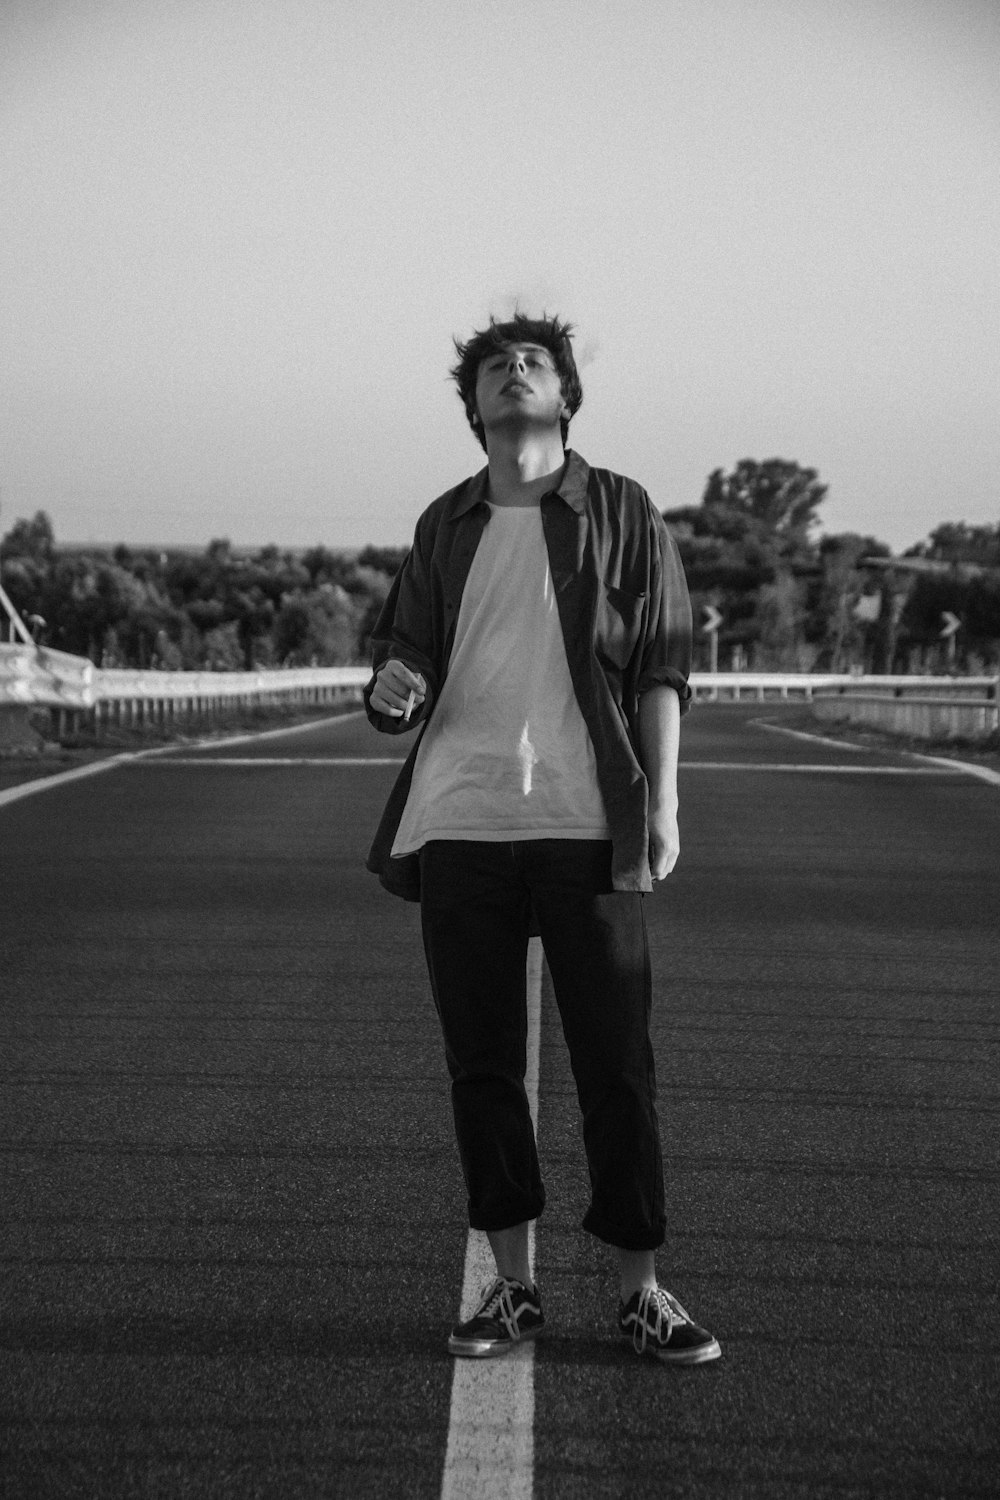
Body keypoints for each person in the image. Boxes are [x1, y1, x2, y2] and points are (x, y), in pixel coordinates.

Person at [363, 312, 720, 1366]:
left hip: (584, 821)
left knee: (616, 1062)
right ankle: (511, 1290)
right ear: (473, 406)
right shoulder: (444, 523)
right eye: (493, 365)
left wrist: (659, 805)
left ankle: (640, 1289)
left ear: (563, 397)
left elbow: (660, 662)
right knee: (483, 1065)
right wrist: (390, 691)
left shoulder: (620, 509)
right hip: (460, 820)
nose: (514, 371)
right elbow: (403, 665)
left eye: (535, 362)